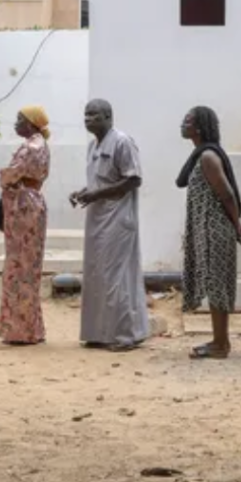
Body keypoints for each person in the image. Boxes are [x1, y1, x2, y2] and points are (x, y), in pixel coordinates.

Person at [70, 99, 148, 351]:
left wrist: (97, 194)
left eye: (93, 115)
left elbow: (133, 179)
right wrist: (84, 192)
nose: (88, 119)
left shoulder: (123, 142)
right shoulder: (92, 146)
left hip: (118, 218)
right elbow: (99, 181)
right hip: (97, 218)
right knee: (96, 275)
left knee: (116, 276)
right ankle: (99, 333)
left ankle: (125, 336)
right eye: (85, 115)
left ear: (108, 116)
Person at [178, 106, 241, 359]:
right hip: (210, 227)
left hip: (215, 228)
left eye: (187, 121)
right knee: (216, 283)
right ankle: (220, 341)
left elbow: (227, 194)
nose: (182, 125)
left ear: (199, 127)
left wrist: (236, 224)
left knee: (217, 284)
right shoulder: (203, 155)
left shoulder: (207, 157)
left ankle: (220, 344)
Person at [0, 106, 51, 346]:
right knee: (29, 266)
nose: (15, 123)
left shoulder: (31, 147)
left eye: (19, 119)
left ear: (31, 123)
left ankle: (20, 329)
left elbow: (10, 175)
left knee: (19, 266)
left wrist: (4, 178)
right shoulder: (40, 144)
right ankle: (31, 327)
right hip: (32, 203)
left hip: (24, 206)